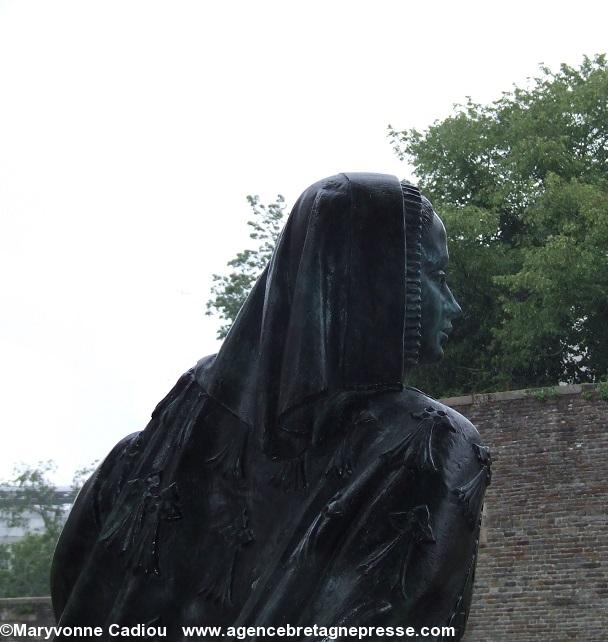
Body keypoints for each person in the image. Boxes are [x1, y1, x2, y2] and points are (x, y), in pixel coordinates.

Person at [50, 173, 490, 641]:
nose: (453, 305)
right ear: (380, 279)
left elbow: (73, 593)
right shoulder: (432, 441)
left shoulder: (146, 454)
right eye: (436, 277)